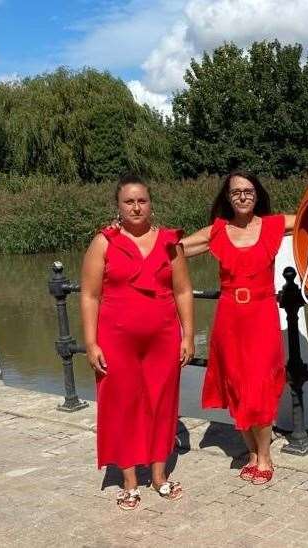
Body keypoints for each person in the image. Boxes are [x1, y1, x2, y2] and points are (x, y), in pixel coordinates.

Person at [180, 171, 308, 485]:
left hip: (262, 315)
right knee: (236, 386)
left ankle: (264, 456)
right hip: (229, 319)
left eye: (248, 190)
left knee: (260, 387)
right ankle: (251, 453)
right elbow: (174, 250)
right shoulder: (217, 230)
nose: (242, 196)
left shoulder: (272, 225)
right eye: (236, 191)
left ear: (257, 193)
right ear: (228, 196)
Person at [80, 174, 195, 510]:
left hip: (163, 336)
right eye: (128, 201)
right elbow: (89, 295)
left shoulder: (169, 242)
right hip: (115, 338)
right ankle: (130, 480)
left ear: (151, 204)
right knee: (121, 403)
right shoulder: (104, 242)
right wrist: (91, 343)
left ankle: (159, 475)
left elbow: (183, 290)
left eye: (141, 200)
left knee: (162, 401)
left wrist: (188, 335)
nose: (135, 206)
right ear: (118, 206)